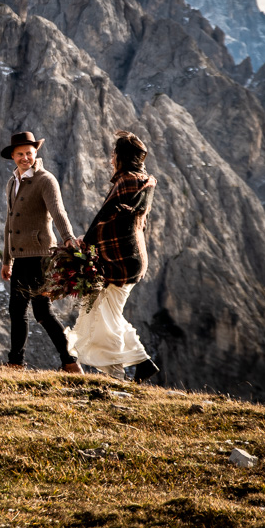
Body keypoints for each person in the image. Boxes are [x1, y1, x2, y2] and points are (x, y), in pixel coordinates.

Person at [67, 130, 160, 382]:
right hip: (130, 259)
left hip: (120, 261)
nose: (111, 159)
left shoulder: (127, 181)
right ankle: (136, 365)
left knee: (103, 315)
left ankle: (123, 370)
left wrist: (83, 248)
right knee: (106, 313)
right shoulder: (142, 180)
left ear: (122, 157)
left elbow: (104, 219)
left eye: (114, 154)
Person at [0, 131, 82, 373]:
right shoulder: (12, 182)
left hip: (41, 257)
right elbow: (9, 224)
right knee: (16, 311)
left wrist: (67, 238)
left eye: (30, 153)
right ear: (13, 156)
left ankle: (70, 362)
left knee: (42, 312)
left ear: (36, 153)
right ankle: (15, 362)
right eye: (20, 154)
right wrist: (7, 260)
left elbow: (58, 211)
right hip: (20, 258)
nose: (25, 157)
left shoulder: (45, 179)